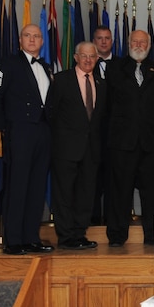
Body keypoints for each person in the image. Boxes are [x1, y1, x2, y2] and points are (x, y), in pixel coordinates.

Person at [0, 24, 54, 255]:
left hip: (43, 132)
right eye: (28, 35)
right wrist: (7, 127)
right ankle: (13, 240)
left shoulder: (45, 66)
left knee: (36, 186)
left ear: (42, 42)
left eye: (36, 36)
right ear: (20, 40)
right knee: (18, 185)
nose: (32, 39)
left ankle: (31, 237)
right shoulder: (9, 63)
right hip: (21, 131)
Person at [105, 30, 154, 247]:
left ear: (149, 45)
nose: (139, 45)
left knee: (152, 194)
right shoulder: (114, 69)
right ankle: (117, 236)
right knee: (120, 191)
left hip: (150, 142)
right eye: (135, 41)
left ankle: (152, 236)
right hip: (122, 142)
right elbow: (107, 105)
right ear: (128, 43)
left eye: (143, 42)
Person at [45, 41, 104, 250]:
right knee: (64, 194)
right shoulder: (61, 80)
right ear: (76, 57)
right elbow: (50, 113)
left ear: (97, 59)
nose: (88, 60)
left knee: (85, 194)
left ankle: (80, 234)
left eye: (92, 56)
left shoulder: (100, 81)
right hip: (65, 149)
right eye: (84, 56)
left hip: (91, 149)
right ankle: (66, 236)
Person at [90, 25, 117, 225]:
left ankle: (110, 218)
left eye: (107, 38)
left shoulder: (122, 66)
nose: (104, 42)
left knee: (113, 178)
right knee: (91, 178)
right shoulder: (85, 65)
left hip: (115, 131)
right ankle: (92, 219)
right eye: (99, 38)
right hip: (90, 131)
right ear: (94, 41)